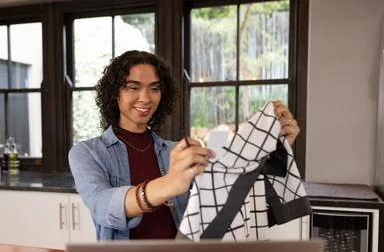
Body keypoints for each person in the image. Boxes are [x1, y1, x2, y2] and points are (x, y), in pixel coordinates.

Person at [68, 50, 300, 240]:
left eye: (155, 88)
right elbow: (102, 206)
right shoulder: (87, 153)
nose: (146, 98)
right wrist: (169, 183)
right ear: (114, 93)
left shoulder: (176, 151)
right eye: (133, 87)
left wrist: (274, 149)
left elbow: (224, 204)